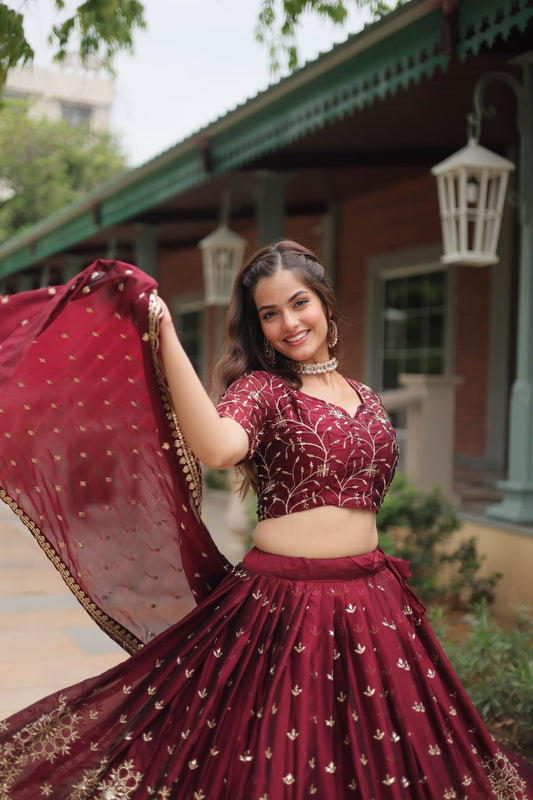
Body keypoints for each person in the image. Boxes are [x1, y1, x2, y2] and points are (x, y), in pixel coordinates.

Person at [0, 240, 531, 799]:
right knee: (277, 759)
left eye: (299, 303)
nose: (289, 323)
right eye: (270, 314)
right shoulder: (263, 390)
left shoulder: (367, 396)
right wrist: (164, 333)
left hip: (373, 600)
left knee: (383, 759)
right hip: (287, 606)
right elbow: (218, 447)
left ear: (324, 303)